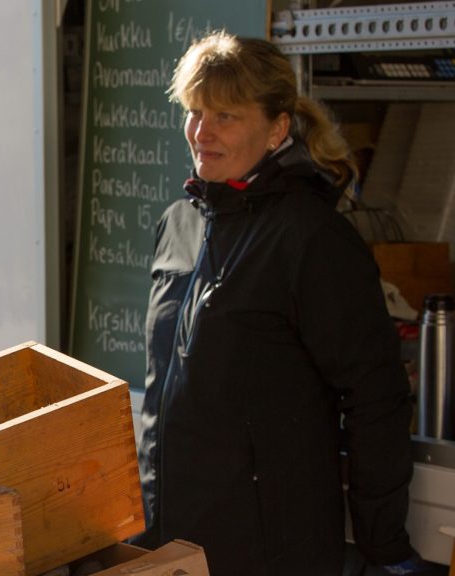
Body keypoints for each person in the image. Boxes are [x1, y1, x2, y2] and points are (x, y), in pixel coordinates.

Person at [137, 31, 434, 575]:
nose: (202, 132)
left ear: (277, 129)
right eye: (195, 112)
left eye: (225, 116)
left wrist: (383, 544)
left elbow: (375, 398)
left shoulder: (311, 238)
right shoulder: (178, 224)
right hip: (176, 548)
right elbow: (163, 395)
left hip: (271, 553)